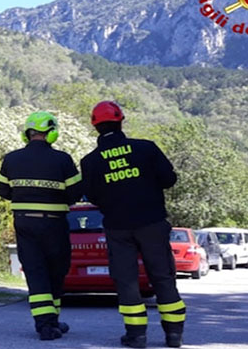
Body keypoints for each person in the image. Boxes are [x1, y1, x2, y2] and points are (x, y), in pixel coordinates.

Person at [79, 101, 184, 349]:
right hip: (152, 222)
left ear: (95, 126)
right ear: (121, 121)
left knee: (126, 280)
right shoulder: (145, 149)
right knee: (163, 277)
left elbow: (91, 195)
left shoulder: (91, 161)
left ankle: (136, 336)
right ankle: (174, 335)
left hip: (118, 227)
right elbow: (169, 179)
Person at [0, 111, 83, 340]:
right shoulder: (63, 160)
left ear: (27, 134)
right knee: (56, 271)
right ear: (52, 133)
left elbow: (2, 190)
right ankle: (48, 323)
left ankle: (48, 323)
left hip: (25, 223)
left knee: (35, 273)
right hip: (54, 224)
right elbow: (75, 192)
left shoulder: (11, 159)